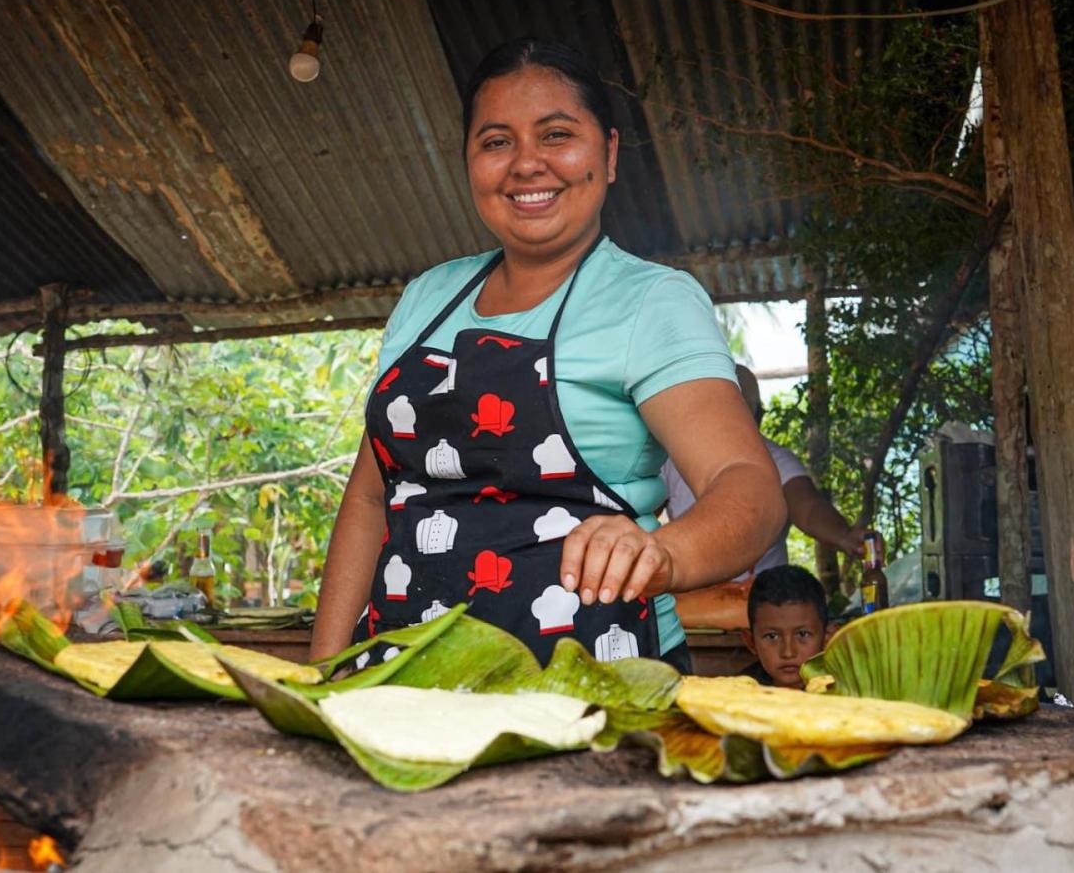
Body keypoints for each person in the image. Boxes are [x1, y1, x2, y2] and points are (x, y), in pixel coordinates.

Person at [310, 38, 785, 672]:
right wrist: (320, 675)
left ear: (609, 154)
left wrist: (664, 552)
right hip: (403, 680)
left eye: (557, 135)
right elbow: (371, 499)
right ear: (470, 162)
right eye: (497, 141)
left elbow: (748, 488)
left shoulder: (651, 301)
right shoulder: (428, 296)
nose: (527, 165)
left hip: (594, 680)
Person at [662, 363, 867, 581]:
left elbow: (808, 508)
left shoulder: (777, 460)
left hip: (763, 603)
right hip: (694, 600)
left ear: (758, 418)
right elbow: (642, 512)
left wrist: (845, 536)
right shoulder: (672, 460)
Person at [739, 565, 832, 689]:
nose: (788, 653)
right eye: (772, 636)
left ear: (827, 638)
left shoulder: (842, 694)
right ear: (751, 642)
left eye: (802, 634)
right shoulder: (738, 695)